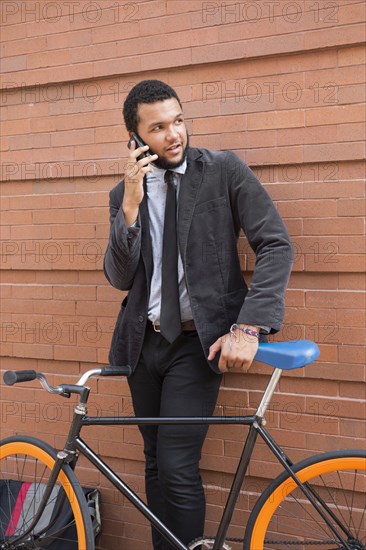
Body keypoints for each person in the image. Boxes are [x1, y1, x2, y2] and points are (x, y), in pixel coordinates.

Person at [104, 80, 293, 549]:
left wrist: (248, 327)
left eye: (179, 121)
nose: (174, 135)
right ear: (135, 137)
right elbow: (119, 277)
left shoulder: (222, 171)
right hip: (142, 344)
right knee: (153, 463)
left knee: (176, 465)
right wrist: (129, 205)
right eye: (159, 127)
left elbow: (276, 245)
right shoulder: (124, 193)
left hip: (197, 342)